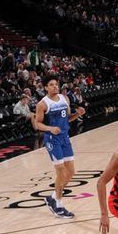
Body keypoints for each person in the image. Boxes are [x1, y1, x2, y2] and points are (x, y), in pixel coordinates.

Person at [34, 74, 85, 219]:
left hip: (65, 137)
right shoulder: (42, 104)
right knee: (61, 172)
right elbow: (37, 124)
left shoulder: (65, 99)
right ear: (45, 87)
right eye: (51, 84)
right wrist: (50, 129)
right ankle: (58, 204)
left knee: (71, 171)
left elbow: (68, 118)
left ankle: (52, 197)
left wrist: (77, 114)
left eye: (56, 84)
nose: (55, 86)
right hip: (52, 139)